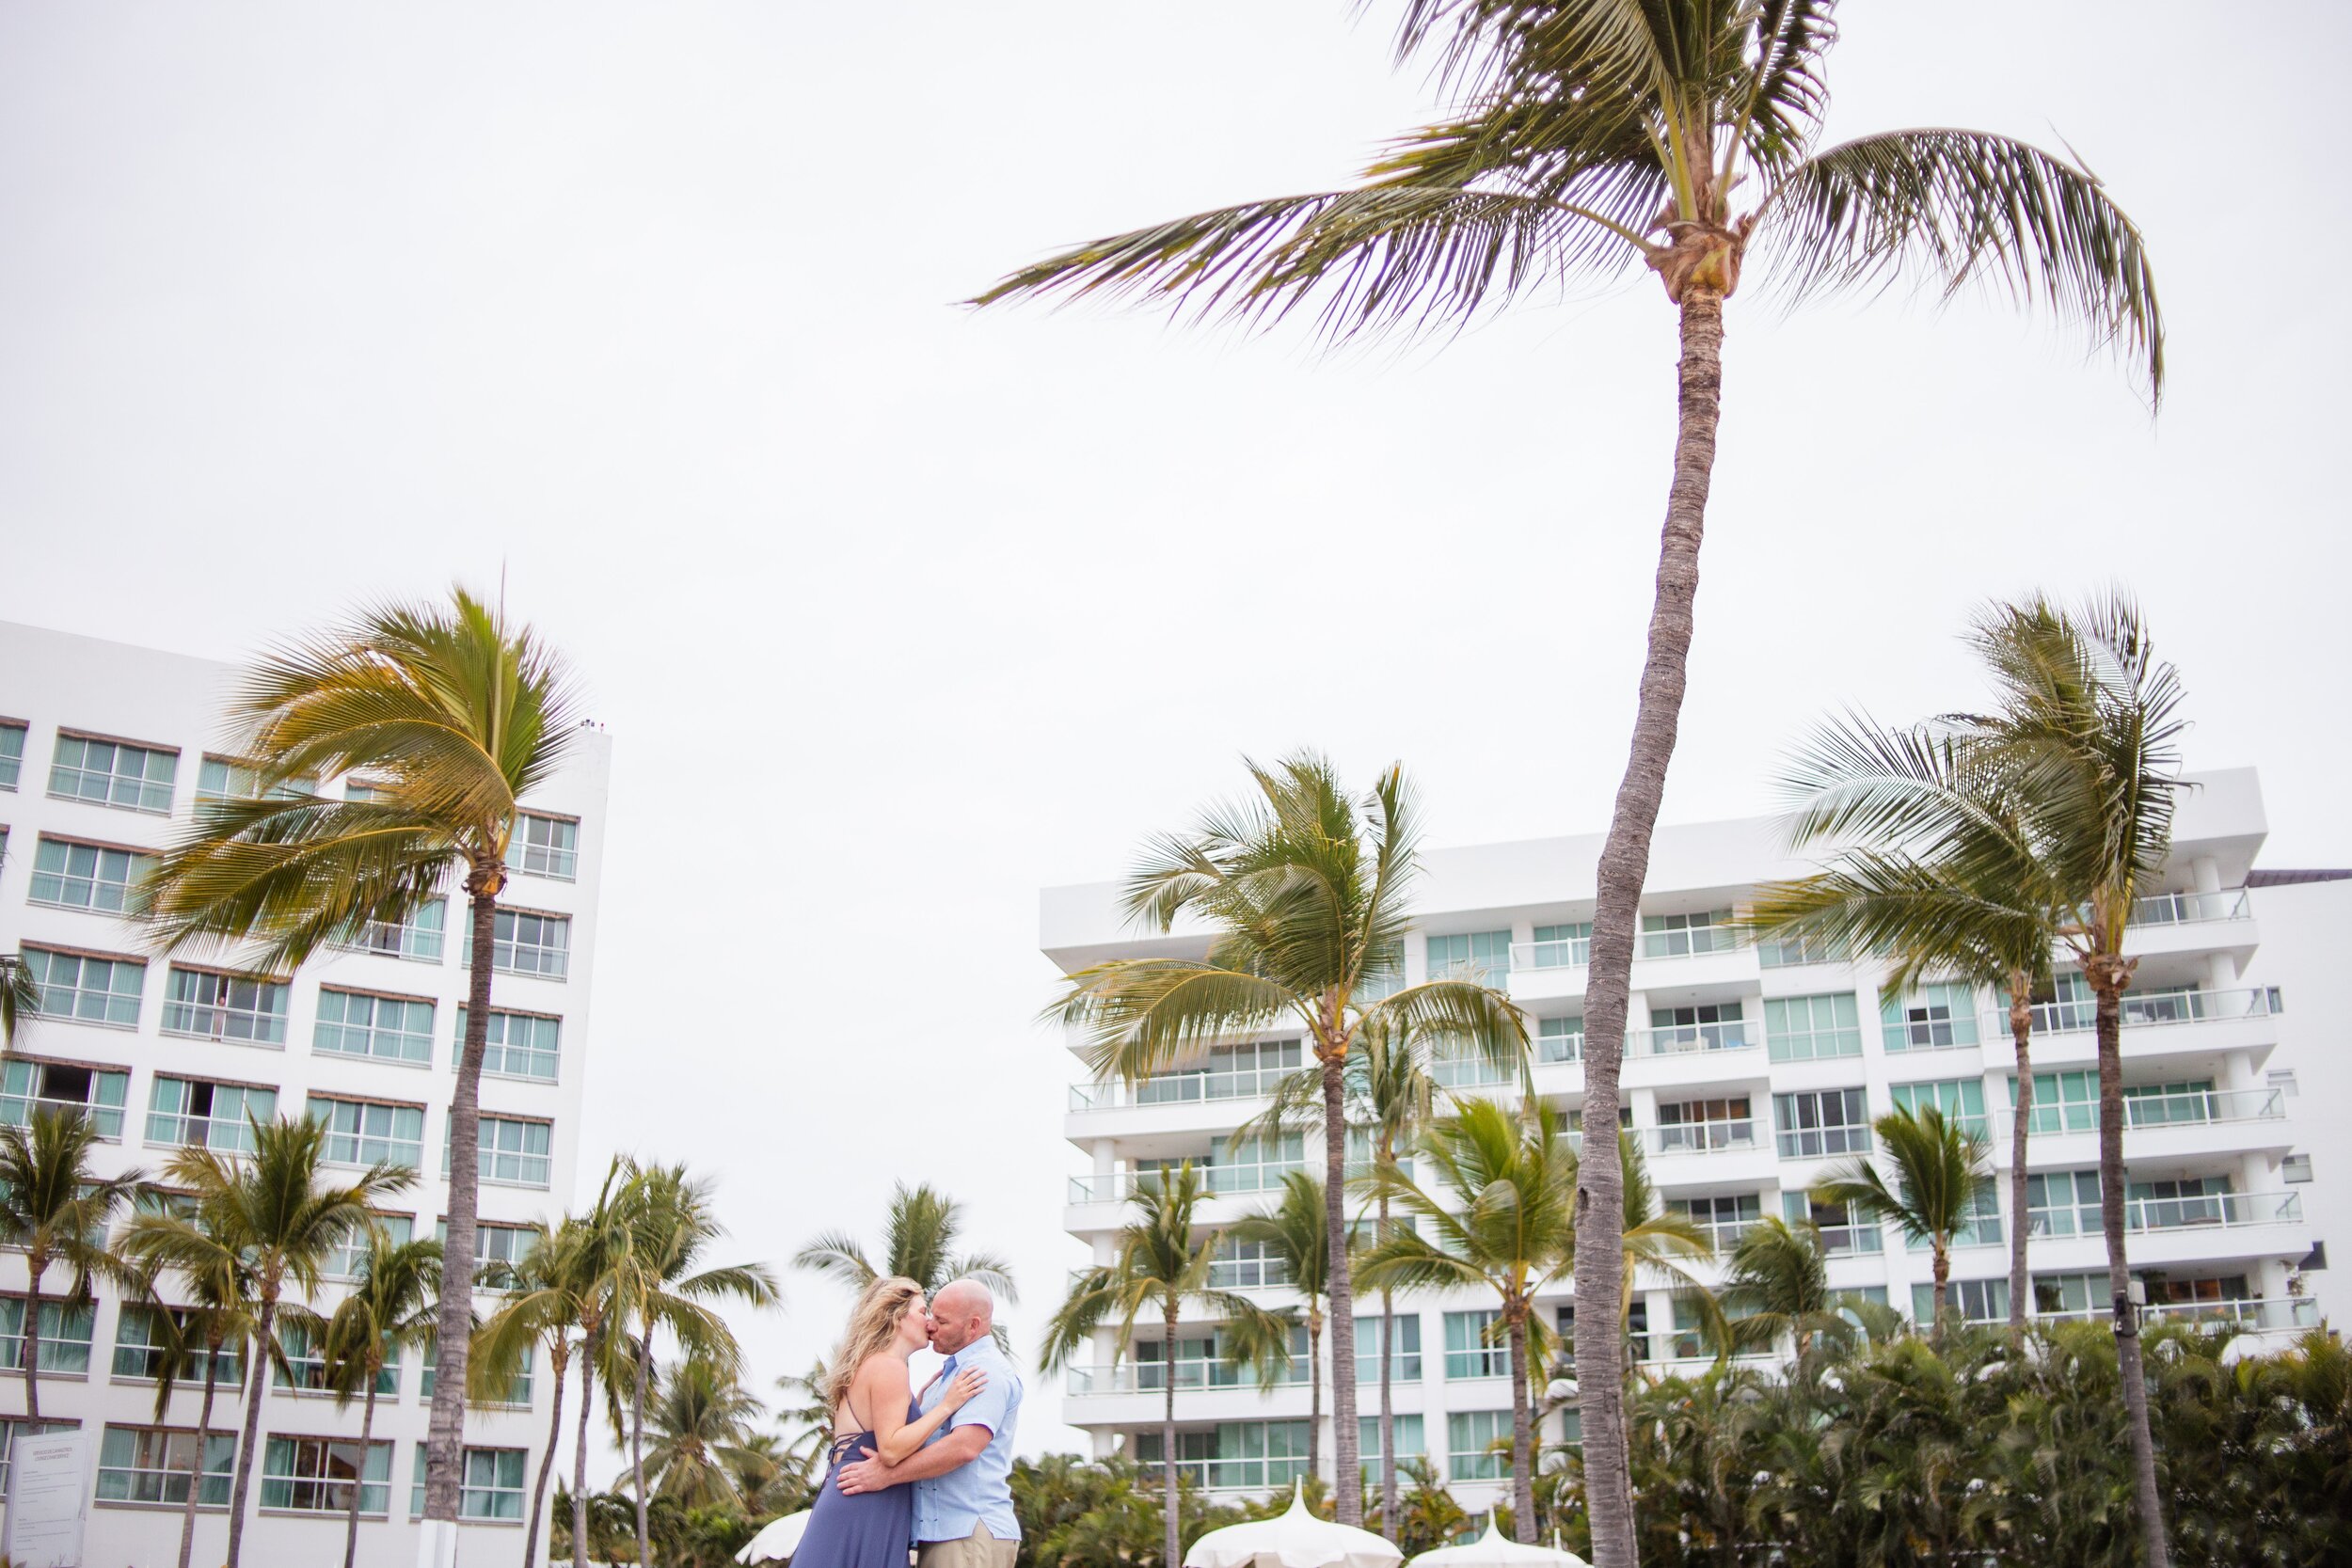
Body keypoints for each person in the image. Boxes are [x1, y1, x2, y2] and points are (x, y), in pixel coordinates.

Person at [792, 1276, 989, 1568]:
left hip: (857, 1497)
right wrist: (947, 1405)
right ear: (897, 1317)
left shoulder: (873, 1364)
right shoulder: (889, 1367)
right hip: (866, 1501)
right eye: (923, 1312)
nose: (930, 1322)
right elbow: (891, 1450)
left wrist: (918, 1406)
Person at [837, 1277, 1025, 1568]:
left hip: (968, 1532)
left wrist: (886, 1475)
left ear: (973, 1326)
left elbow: (964, 1447)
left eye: (942, 1321)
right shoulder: (947, 1379)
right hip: (945, 1536)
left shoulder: (984, 1372)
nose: (930, 1326)